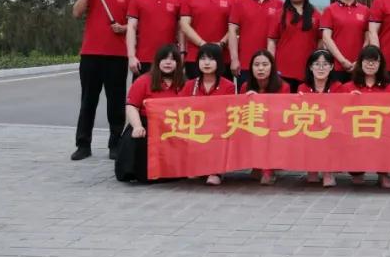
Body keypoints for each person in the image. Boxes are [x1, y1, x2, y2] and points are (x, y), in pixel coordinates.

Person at [71, 0, 142, 161]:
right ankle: (83, 144)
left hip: (117, 55)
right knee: (88, 101)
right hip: (90, 53)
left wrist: (124, 28)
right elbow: (76, 12)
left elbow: (137, 24)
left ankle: (115, 144)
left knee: (116, 102)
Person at [116, 44, 186, 183]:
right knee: (137, 138)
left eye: (172, 59)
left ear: (178, 63)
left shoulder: (185, 83)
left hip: (174, 126)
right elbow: (132, 106)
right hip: (146, 123)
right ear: (157, 61)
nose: (168, 62)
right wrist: (137, 126)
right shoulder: (143, 81)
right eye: (164, 59)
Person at [178, 43, 235, 186]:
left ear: (219, 62)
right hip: (195, 127)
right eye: (203, 59)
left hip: (218, 128)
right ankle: (197, 166)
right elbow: (179, 107)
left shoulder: (228, 86)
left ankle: (216, 171)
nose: (207, 63)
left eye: (211, 59)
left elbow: (229, 111)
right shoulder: (189, 85)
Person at [341, 45, 390, 189]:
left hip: (381, 132)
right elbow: (339, 113)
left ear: (380, 64)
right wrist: (348, 99)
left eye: (375, 61)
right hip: (357, 132)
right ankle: (357, 171)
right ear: (360, 63)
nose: (371, 64)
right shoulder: (348, 87)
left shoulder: (389, 87)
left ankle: (383, 173)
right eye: (367, 61)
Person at [179, 0, 238, 79]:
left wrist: (221, 44)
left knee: (223, 90)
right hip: (195, 56)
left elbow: (235, 27)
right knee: (195, 90)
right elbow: (184, 25)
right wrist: (202, 44)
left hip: (223, 56)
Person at [227, 0, 284, 89]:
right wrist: (234, 59)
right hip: (245, 63)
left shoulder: (279, 4)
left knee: (268, 99)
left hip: (270, 64)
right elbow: (232, 31)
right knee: (246, 97)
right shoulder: (240, 2)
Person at [126, 0, 182, 78]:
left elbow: (181, 30)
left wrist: (182, 54)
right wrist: (131, 56)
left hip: (169, 59)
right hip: (143, 58)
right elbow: (131, 28)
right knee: (142, 90)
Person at [293, 49, 340, 187]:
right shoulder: (302, 87)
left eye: (325, 64)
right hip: (310, 128)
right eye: (317, 64)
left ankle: (327, 171)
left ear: (331, 67)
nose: (321, 68)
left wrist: (354, 97)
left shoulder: (338, 87)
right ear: (310, 67)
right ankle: (312, 167)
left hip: (331, 128)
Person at [240, 48, 287, 186]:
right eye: (256, 65)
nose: (260, 68)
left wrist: (260, 102)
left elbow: (282, 113)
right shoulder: (245, 86)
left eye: (265, 65)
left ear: (272, 67)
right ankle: (256, 165)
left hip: (274, 126)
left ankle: (268, 170)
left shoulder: (283, 86)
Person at [271, 0, 321, 92]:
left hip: (308, 69)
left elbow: (321, 40)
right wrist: (271, 65)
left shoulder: (316, 14)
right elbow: (272, 41)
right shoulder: (279, 14)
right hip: (283, 69)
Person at [320, 0, 370, 85]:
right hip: (336, 66)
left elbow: (368, 38)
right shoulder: (330, 10)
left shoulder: (365, 10)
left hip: (360, 66)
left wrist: (359, 60)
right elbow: (326, 38)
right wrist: (342, 61)